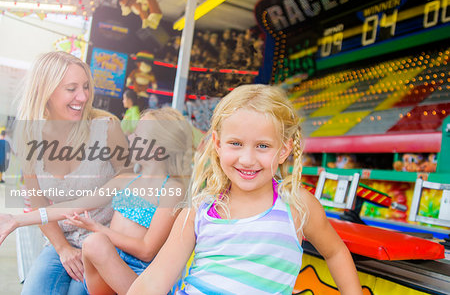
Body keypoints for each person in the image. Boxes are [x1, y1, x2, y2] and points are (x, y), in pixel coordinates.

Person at [127, 84, 363, 295]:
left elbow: (335, 252)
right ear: (218, 144)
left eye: (262, 146)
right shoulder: (199, 210)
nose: (248, 159)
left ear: (283, 150)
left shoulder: (297, 204)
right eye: (236, 144)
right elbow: (154, 280)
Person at [1, 107, 193, 295]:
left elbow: (147, 250)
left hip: (138, 274)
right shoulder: (125, 181)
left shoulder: (172, 190)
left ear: (157, 150)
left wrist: (99, 229)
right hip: (107, 263)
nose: (130, 139)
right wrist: (17, 220)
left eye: (138, 137)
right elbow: (72, 206)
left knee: (96, 241)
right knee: (94, 243)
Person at [13, 51, 128, 295]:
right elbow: (38, 204)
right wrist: (63, 248)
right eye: (71, 88)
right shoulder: (28, 135)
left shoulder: (106, 126)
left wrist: (113, 240)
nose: (83, 96)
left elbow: (129, 181)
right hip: (60, 240)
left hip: (105, 239)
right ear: (46, 91)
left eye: (86, 87)